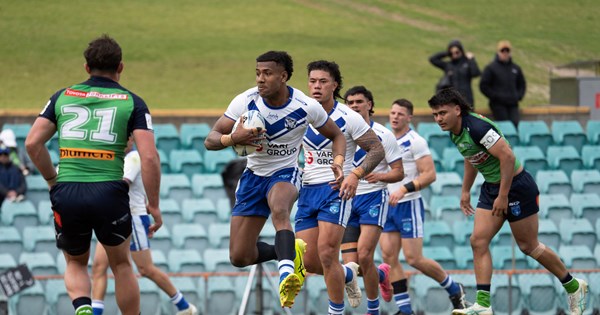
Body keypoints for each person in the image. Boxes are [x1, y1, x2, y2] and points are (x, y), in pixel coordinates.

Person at [25, 34, 162, 315]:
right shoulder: (132, 102)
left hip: (68, 190)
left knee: (75, 262)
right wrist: (154, 206)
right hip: (109, 192)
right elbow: (148, 156)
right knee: (121, 264)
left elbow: (32, 143)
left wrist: (52, 179)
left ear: (86, 67)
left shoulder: (62, 96)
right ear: (120, 67)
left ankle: (83, 309)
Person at [204, 51, 347, 309]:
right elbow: (211, 138)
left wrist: (337, 163)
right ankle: (293, 250)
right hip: (252, 177)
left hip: (285, 173)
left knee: (279, 208)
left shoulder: (305, 106)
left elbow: (337, 135)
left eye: (267, 73)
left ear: (283, 77)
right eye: (258, 73)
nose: (260, 79)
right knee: (239, 255)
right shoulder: (245, 101)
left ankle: (286, 275)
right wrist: (232, 139)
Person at [427, 88, 588, 315]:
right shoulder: (455, 131)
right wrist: (465, 190)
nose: (438, 119)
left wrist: (504, 195)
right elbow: (470, 156)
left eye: (442, 113)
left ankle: (574, 286)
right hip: (492, 187)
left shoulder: (478, 127)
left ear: (457, 109)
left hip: (517, 187)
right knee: (478, 241)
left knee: (528, 246)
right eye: (435, 115)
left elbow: (508, 157)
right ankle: (483, 304)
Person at [295, 61, 384, 315]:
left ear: (334, 85)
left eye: (323, 81)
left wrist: (355, 175)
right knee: (310, 262)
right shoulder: (301, 113)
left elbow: (377, 149)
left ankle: (335, 311)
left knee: (326, 253)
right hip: (307, 191)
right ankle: (347, 272)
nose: (316, 86)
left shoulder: (349, 117)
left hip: (337, 190)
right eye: (312, 81)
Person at [379, 98, 467, 315]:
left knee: (414, 259)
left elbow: (430, 174)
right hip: (387, 205)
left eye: (400, 113)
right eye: (392, 112)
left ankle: (454, 289)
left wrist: (404, 189)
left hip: (408, 204)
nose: (395, 116)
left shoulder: (415, 141)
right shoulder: (385, 139)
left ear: (409, 117)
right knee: (388, 257)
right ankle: (405, 309)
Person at [91, 137, 196, 315]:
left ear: (131, 139)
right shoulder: (113, 158)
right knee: (99, 267)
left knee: (145, 269)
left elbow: (122, 185)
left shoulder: (133, 158)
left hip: (133, 218)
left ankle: (184, 306)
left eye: (126, 137)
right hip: (113, 217)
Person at [340, 86, 405, 315]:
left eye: (359, 101)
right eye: (350, 102)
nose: (354, 106)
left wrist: (380, 176)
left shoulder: (384, 135)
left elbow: (399, 172)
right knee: (352, 267)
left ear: (370, 104)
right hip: (347, 200)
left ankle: (373, 310)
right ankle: (381, 275)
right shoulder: (340, 134)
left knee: (366, 255)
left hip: (373, 198)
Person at [479, 40, 526, 127]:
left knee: (515, 126)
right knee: (504, 127)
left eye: (507, 50)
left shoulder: (516, 68)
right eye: (502, 50)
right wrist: (495, 96)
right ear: (498, 52)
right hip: (498, 105)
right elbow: (483, 86)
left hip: (513, 104)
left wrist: (518, 96)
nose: (505, 53)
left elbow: (522, 84)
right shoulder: (491, 68)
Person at [429, 40, 481, 107]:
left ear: (461, 51)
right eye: (452, 53)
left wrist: (471, 60)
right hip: (452, 99)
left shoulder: (467, 63)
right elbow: (433, 59)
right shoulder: (448, 65)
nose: (454, 55)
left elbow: (476, 73)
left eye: (457, 52)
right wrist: (447, 53)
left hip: (466, 97)